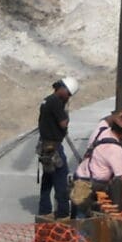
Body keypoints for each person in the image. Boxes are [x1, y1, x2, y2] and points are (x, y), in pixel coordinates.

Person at [71, 108, 122, 218]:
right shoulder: (115, 150)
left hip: (80, 178)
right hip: (93, 184)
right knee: (85, 220)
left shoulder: (101, 130)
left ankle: (80, 231)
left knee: (81, 216)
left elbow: (106, 119)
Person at [36, 77, 77, 220]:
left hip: (45, 146)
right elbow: (63, 124)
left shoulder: (47, 100)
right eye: (69, 94)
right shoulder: (55, 102)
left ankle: (44, 210)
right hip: (54, 148)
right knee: (61, 179)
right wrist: (65, 111)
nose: (68, 97)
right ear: (63, 89)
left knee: (48, 178)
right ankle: (63, 212)